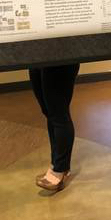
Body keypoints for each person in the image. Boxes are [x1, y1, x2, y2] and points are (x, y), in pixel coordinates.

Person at [29, 63, 80, 191]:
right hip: (36, 58)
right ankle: (56, 164)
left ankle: (60, 168)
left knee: (59, 114)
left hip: (59, 58)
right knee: (49, 112)